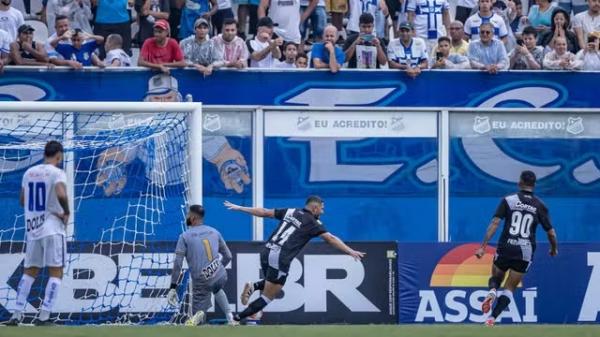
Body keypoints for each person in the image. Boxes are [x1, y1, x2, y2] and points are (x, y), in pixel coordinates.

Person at [223, 195, 365, 323]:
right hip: (280, 257)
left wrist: (240, 208)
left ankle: (253, 287)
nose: (323, 212)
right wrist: (350, 251)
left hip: (267, 251)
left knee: (272, 283)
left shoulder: (291, 211)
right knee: (268, 296)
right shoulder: (314, 223)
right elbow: (331, 238)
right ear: (315, 208)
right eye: (322, 209)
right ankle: (236, 319)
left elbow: (265, 212)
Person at [475, 170, 558, 327]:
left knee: (496, 277)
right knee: (510, 287)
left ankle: (492, 291)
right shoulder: (540, 205)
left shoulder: (508, 200)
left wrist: (483, 247)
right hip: (524, 252)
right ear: (534, 185)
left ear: (520, 182)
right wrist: (553, 249)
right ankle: (492, 318)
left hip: (506, 247)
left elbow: (495, 223)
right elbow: (551, 233)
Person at [6, 141, 70, 326]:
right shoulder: (57, 173)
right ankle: (44, 316)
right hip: (52, 229)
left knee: (29, 272)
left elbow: (22, 199)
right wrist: (65, 212)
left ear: (44, 154)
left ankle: (16, 314)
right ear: (59, 155)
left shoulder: (29, 173)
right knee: (56, 272)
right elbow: (60, 192)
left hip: (33, 229)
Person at [167, 205, 236, 325]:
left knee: (196, 320)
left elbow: (178, 264)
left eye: (188, 214)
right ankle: (230, 316)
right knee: (216, 287)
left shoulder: (184, 236)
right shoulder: (215, 231)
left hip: (201, 281)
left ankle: (200, 313)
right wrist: (216, 268)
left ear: (193, 217)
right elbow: (229, 256)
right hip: (220, 275)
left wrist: (173, 287)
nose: (186, 217)